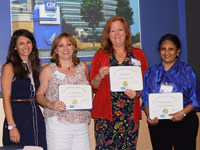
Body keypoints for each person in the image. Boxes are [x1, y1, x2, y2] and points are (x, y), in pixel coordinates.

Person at [90, 16, 148, 149]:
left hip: (129, 113)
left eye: (120, 30)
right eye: (112, 31)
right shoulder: (100, 55)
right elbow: (93, 86)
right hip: (105, 115)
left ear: (126, 32)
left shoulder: (139, 55)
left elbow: (145, 85)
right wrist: (99, 76)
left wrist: (137, 94)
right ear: (108, 35)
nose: (117, 34)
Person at [142, 34, 199, 150]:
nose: (166, 52)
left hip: (185, 121)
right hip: (159, 124)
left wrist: (182, 113)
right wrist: (150, 116)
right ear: (159, 51)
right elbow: (146, 100)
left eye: (171, 49)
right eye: (163, 49)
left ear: (178, 51)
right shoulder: (150, 73)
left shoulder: (188, 71)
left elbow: (195, 98)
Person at [36, 32, 91, 150]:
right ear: (55, 50)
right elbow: (39, 95)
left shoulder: (84, 67)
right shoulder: (48, 70)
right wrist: (51, 104)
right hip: (58, 123)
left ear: (74, 48)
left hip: (81, 123)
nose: (65, 48)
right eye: (61, 45)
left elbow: (87, 91)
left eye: (69, 44)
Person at [2, 29, 47, 149]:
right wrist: (12, 126)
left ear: (33, 44)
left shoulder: (36, 67)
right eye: (21, 43)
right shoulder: (9, 67)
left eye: (28, 42)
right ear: (15, 47)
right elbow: (6, 99)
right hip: (18, 117)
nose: (25, 46)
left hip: (36, 117)